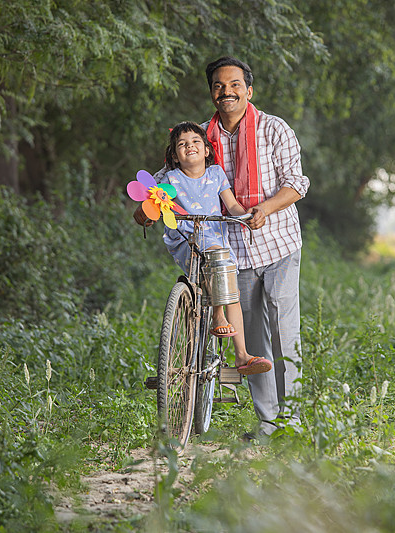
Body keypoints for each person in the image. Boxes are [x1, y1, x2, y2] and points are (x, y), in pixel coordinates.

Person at [135, 56, 309, 436]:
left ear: (249, 90)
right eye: (218, 86)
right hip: (230, 250)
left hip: (277, 243)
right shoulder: (201, 135)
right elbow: (168, 178)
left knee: (283, 331)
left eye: (234, 85)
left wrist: (264, 207)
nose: (226, 92)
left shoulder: (274, 130)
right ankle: (267, 422)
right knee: (253, 337)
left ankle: (292, 421)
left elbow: (298, 183)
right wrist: (148, 206)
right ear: (212, 92)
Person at [161, 121, 272, 376]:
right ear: (175, 156)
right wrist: (151, 208)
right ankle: (217, 317)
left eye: (195, 142)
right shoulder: (171, 179)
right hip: (187, 238)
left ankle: (242, 355)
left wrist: (245, 216)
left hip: (216, 238)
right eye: (182, 144)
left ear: (207, 150)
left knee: (231, 290)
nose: (190, 146)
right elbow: (160, 204)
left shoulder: (216, 174)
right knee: (217, 258)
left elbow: (231, 206)